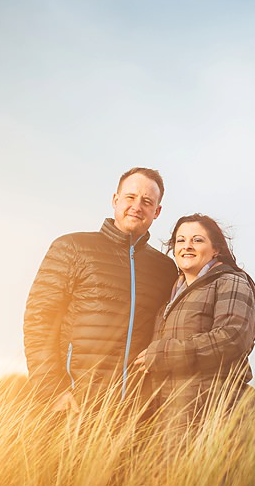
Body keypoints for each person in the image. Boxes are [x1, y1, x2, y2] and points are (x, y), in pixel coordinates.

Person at [23, 167, 179, 413]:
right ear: (115, 200)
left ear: (157, 211)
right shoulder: (71, 247)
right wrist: (50, 390)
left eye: (147, 201)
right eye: (130, 197)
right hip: (72, 404)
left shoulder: (165, 269)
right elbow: (39, 319)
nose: (137, 206)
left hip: (135, 412)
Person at [130, 213, 255, 443]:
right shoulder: (172, 295)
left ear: (216, 250)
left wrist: (162, 354)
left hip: (218, 415)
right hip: (175, 418)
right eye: (181, 240)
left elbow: (231, 338)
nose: (187, 246)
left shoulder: (230, 281)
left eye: (197, 240)